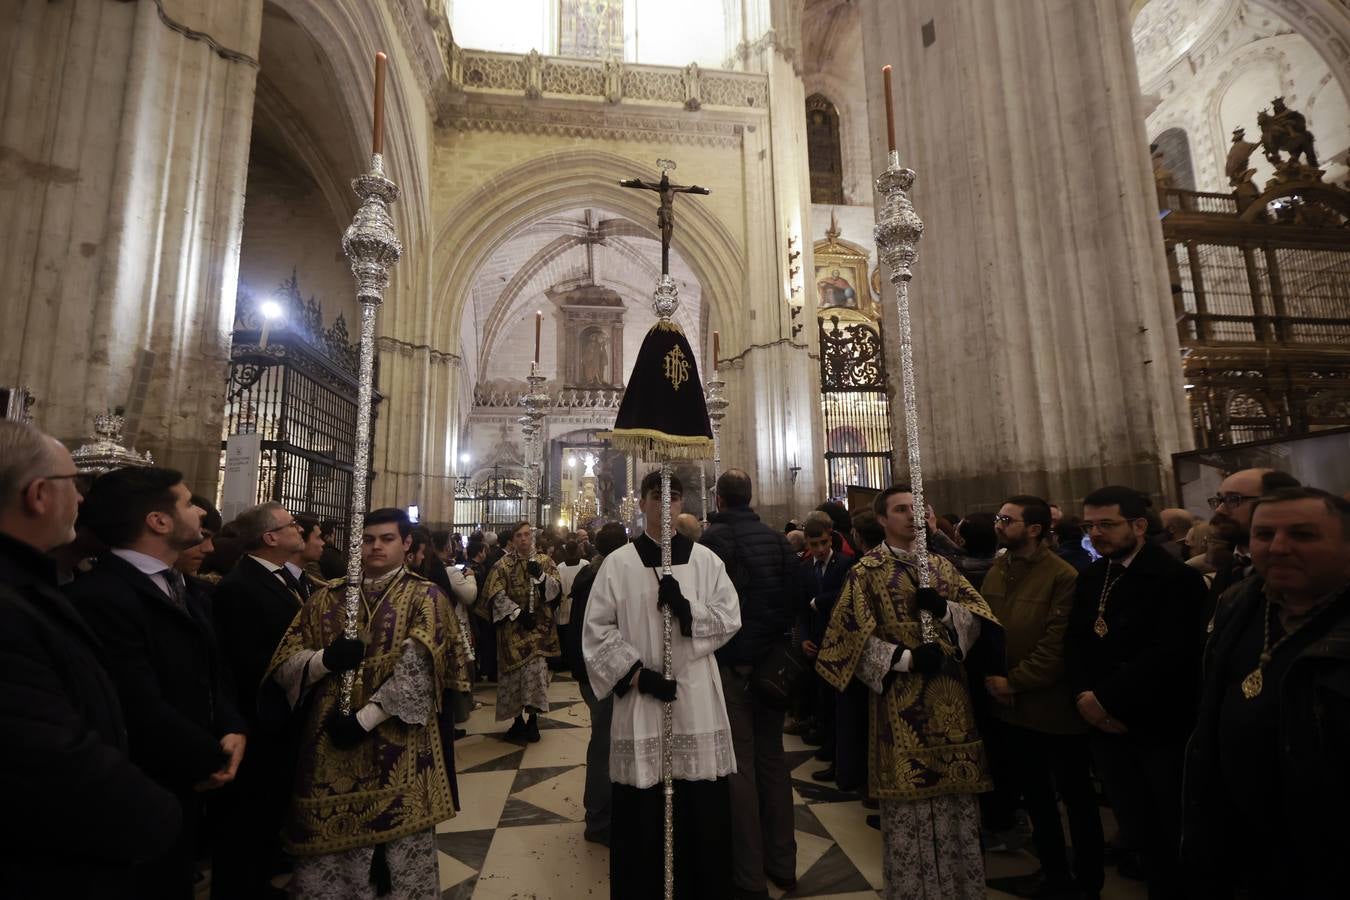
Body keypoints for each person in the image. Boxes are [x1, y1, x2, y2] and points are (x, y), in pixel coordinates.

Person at [0, 421, 182, 898]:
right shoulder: (12, 604)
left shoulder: (34, 586)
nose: (83, 501)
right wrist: (159, 814)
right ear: (39, 494)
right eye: (74, 486)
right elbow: (49, 756)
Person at [266, 507, 469, 899]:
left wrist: (363, 720)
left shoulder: (424, 595)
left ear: (407, 544)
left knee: (396, 861)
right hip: (329, 744)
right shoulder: (327, 596)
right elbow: (285, 663)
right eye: (368, 539)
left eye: (387, 539)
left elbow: (419, 668)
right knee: (334, 866)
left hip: (398, 740)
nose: (376, 547)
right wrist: (325, 660)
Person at [68, 466, 247, 900]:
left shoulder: (183, 586)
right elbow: (135, 701)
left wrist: (232, 725)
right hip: (144, 787)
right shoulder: (104, 595)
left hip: (186, 778)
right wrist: (209, 755)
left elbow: (211, 670)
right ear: (159, 521)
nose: (200, 518)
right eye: (188, 503)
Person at [815, 484, 1001, 900]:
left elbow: (980, 621)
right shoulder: (865, 573)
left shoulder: (943, 568)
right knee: (910, 811)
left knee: (957, 807)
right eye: (900, 510)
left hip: (952, 705)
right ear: (881, 520)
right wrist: (905, 659)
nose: (911, 516)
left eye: (917, 508)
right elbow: (845, 642)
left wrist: (945, 612)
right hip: (901, 708)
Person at [1182, 487, 1350, 898]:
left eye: (1303, 535)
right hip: (1243, 848)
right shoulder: (1239, 603)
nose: (1278, 548)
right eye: (1263, 535)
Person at [583, 471, 741, 899]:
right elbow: (596, 631)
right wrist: (638, 674)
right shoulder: (618, 564)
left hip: (695, 700)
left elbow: (730, 616)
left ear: (682, 504)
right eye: (656, 496)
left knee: (699, 808)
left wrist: (688, 611)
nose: (664, 505)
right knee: (642, 812)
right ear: (642, 503)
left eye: (672, 497)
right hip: (641, 700)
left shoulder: (707, 561)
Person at [1064, 486, 1207, 900]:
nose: (1095, 534)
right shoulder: (1094, 575)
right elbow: (1076, 644)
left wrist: (1104, 699)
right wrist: (1083, 697)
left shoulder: (1176, 578)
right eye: (1090, 526)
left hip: (1155, 723)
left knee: (1170, 829)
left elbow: (1172, 654)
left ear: (1139, 525)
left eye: (1106, 525)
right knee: (1135, 825)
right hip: (1102, 723)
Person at [981, 495, 1103, 899]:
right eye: (999, 518)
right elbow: (986, 625)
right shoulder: (1000, 567)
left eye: (1007, 519)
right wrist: (993, 676)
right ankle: (1052, 875)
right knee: (1035, 798)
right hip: (1012, 707)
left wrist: (1014, 681)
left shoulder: (1063, 575)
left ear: (1033, 529)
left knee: (1076, 799)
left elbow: (1057, 645)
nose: (998, 524)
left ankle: (1087, 881)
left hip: (1052, 708)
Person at [699, 469, 799, 898]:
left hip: (734, 665)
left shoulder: (712, 543)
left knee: (740, 766)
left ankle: (748, 875)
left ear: (718, 499)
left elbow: (705, 609)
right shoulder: (778, 540)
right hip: (771, 665)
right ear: (750, 497)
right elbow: (796, 598)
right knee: (773, 761)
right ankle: (783, 862)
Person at [208, 501, 309, 899]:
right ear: (270, 538)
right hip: (258, 719)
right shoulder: (241, 586)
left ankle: (260, 882)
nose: (298, 528)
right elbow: (251, 661)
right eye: (291, 524)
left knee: (267, 811)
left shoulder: (277, 578)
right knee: (248, 815)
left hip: (278, 718)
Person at [563, 521, 629, 846]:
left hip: (590, 671)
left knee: (606, 740)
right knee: (605, 743)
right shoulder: (607, 578)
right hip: (601, 672)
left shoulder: (589, 573)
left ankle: (607, 811)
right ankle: (600, 818)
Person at [481, 520, 562, 742]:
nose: (524, 539)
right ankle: (517, 721)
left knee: (535, 675)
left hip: (538, 631)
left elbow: (556, 592)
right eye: (519, 536)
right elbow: (495, 595)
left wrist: (542, 577)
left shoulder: (545, 562)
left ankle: (533, 721)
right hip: (512, 631)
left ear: (532, 537)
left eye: (527, 535)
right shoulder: (502, 565)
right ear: (513, 539)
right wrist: (517, 613)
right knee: (513, 678)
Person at [798, 518, 856, 786]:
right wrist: (804, 639)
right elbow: (801, 610)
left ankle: (838, 757)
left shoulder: (845, 564)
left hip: (840, 639)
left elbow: (847, 595)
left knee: (837, 703)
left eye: (824, 542)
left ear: (830, 539)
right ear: (807, 545)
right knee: (822, 700)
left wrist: (818, 601)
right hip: (817, 640)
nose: (820, 549)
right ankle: (828, 744)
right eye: (814, 544)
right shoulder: (805, 569)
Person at [1206, 468, 1300, 617]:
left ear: (1275, 503)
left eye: (1233, 499)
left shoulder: (1296, 571)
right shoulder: (1230, 566)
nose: (1219, 510)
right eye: (1219, 500)